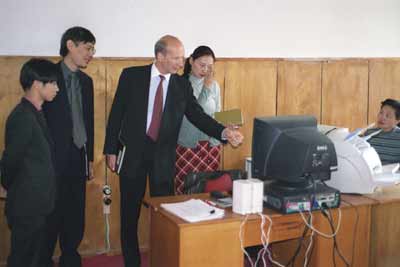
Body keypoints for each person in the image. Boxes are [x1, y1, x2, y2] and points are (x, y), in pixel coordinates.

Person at [103, 35, 243, 267]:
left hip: (164, 158)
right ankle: (132, 263)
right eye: (177, 57)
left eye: (182, 56)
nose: (182, 62)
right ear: (160, 56)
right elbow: (116, 113)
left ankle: (162, 260)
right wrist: (110, 150)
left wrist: (223, 132)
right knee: (129, 214)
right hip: (133, 154)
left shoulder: (180, 85)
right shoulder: (131, 76)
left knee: (164, 215)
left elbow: (198, 115)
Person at [42, 26, 96, 267]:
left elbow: (89, 122)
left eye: (93, 49)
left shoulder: (86, 81)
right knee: (51, 213)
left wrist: (90, 158)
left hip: (78, 155)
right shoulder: (47, 75)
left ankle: (70, 257)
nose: (90, 54)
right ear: (70, 45)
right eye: (87, 48)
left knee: (76, 213)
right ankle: (43, 259)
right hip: (52, 158)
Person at [1, 58, 59, 267]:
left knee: (36, 257)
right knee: (23, 258)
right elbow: (11, 159)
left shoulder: (36, 113)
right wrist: (7, 185)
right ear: (36, 84)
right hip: (27, 203)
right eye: (52, 83)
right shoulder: (22, 117)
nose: (57, 88)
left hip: (39, 202)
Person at [175, 45, 222, 194]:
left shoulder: (214, 85)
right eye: (202, 65)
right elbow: (196, 113)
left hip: (211, 146)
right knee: (186, 192)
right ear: (191, 61)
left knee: (209, 192)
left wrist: (227, 126)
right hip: (188, 145)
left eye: (210, 67)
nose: (206, 70)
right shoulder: (181, 83)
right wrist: (206, 87)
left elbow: (217, 114)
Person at [364, 98, 400, 165]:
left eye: (387, 115)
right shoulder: (369, 133)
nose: (382, 117)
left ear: (397, 121)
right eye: (381, 112)